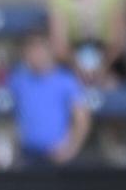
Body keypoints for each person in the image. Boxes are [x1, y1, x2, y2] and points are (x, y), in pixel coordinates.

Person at [8, 31, 91, 167]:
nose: (35, 55)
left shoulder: (66, 80)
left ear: (49, 51)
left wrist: (70, 149)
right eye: (31, 50)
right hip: (27, 154)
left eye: (39, 49)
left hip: (56, 156)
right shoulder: (18, 79)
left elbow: (82, 118)